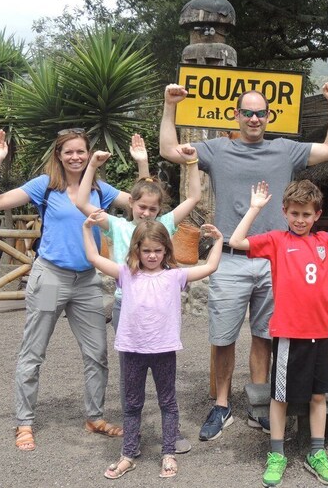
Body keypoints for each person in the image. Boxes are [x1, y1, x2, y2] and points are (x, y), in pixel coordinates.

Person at [159, 82, 328, 442]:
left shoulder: (285, 151)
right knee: (223, 335)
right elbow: (169, 149)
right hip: (229, 257)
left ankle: (258, 404)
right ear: (236, 115)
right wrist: (169, 106)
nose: (255, 118)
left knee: (265, 335)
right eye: (248, 112)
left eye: (261, 113)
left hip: (276, 260)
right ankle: (223, 404)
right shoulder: (216, 150)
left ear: (269, 116)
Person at [0, 128, 131, 452]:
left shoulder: (99, 190)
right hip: (50, 278)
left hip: (86, 283)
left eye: (81, 151)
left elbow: (142, 204)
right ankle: (24, 422)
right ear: (59, 155)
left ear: (89, 154)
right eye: (69, 152)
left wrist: (143, 164)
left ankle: (94, 416)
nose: (76, 157)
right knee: (34, 352)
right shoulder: (45, 187)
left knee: (97, 354)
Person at [229, 179, 328, 487]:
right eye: (294, 213)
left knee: (318, 395)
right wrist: (254, 209)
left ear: (317, 214)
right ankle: (277, 454)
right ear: (285, 211)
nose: (300, 220)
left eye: (306, 214)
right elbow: (237, 241)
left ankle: (317, 453)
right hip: (288, 334)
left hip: (319, 332)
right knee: (279, 396)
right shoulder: (276, 241)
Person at [76, 139, 200, 455]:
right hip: (126, 306)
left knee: (164, 374)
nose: (146, 213)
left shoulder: (163, 227)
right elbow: (81, 201)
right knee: (132, 373)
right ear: (131, 203)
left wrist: (191, 163)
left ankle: (168, 434)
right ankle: (136, 431)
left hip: (159, 306)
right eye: (141, 206)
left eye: (153, 209)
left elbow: (194, 197)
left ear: (160, 211)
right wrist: (91, 165)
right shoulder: (117, 226)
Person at [81, 212, 223, 479]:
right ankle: (128, 454)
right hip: (132, 349)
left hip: (163, 349)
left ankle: (168, 452)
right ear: (137, 250)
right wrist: (87, 228)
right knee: (132, 404)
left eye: (158, 250)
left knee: (168, 402)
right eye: (146, 250)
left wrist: (219, 241)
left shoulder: (175, 276)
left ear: (166, 249)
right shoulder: (126, 274)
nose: (152, 255)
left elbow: (209, 268)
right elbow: (94, 258)